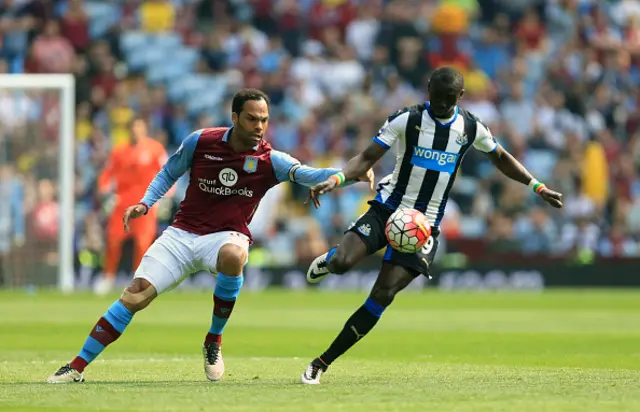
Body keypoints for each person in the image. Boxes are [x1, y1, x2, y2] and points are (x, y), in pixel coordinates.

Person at [46, 89, 373, 383]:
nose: (259, 126)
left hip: (226, 235)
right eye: (252, 119)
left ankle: (213, 340)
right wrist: (146, 203)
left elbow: (310, 174)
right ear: (235, 118)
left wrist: (348, 175)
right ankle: (75, 367)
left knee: (234, 256)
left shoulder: (270, 160)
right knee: (134, 296)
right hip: (182, 233)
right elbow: (168, 173)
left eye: (264, 120)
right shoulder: (200, 142)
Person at [299, 67, 563, 385]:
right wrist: (337, 178)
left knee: (383, 294)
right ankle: (330, 258)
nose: (441, 104)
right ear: (428, 90)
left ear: (460, 97)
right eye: (436, 97)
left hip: (424, 226)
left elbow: (501, 157)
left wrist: (537, 186)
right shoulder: (406, 119)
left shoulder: (470, 126)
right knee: (342, 264)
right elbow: (367, 156)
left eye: (448, 99)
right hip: (388, 210)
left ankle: (321, 363)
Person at [94, 117, 168, 296]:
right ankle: (108, 276)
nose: (136, 131)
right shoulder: (119, 151)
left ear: (145, 129)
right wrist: (104, 191)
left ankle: (139, 279)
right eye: (133, 127)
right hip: (122, 203)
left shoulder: (155, 149)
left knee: (143, 243)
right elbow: (107, 174)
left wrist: (166, 196)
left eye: (140, 127)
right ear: (129, 130)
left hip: (145, 204)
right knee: (113, 239)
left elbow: (168, 171)